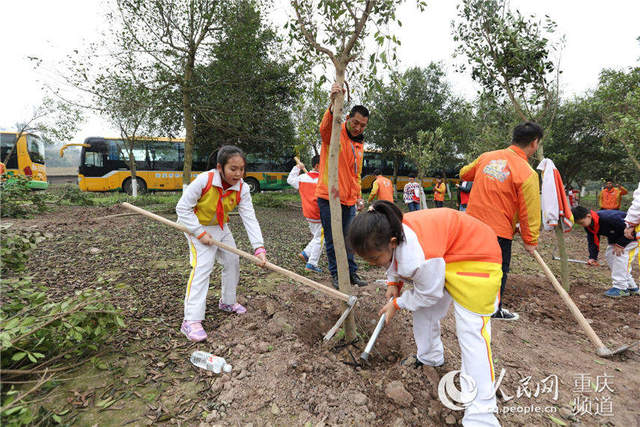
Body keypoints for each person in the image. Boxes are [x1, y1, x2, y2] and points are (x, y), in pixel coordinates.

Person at [347, 201, 502, 427]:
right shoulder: (391, 229)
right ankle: (430, 357)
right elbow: (393, 260)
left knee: (472, 333)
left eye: (373, 259)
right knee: (424, 313)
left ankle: (482, 415)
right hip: (446, 253)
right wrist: (393, 281)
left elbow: (429, 294)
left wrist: (397, 303)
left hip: (477, 257)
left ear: (391, 243)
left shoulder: (417, 257)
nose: (373, 265)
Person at [176, 145, 267, 342]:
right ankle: (190, 320)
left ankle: (227, 302)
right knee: (203, 266)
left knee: (232, 260)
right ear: (220, 167)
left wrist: (258, 248)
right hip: (194, 224)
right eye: (233, 169)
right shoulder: (205, 180)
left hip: (220, 226)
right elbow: (182, 208)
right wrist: (200, 233)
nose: (238, 174)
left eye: (241, 169)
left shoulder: (242, 188)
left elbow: (249, 217)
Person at [460, 122, 543, 321]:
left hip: (470, 225)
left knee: (471, 264)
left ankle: (465, 302)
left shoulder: (486, 157)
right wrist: (530, 241)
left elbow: (464, 173)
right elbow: (529, 211)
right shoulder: (527, 173)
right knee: (497, 271)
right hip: (498, 231)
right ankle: (493, 309)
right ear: (534, 143)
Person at [316, 82, 368, 289]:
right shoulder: (335, 134)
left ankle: (352, 273)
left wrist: (358, 197)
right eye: (355, 123)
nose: (358, 128)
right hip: (329, 196)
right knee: (332, 238)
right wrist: (333, 104)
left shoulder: (359, 145)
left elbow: (356, 175)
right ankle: (336, 275)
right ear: (347, 118)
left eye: (362, 125)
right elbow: (325, 128)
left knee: (349, 238)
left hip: (348, 200)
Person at [572, 206, 639, 298]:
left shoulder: (610, 218)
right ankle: (631, 286)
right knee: (610, 255)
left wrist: (621, 244)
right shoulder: (589, 225)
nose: (582, 225)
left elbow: (631, 229)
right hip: (617, 238)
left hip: (633, 236)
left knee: (620, 256)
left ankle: (620, 288)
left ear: (588, 216)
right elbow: (593, 241)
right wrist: (593, 257)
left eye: (582, 222)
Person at [287, 155, 324, 273]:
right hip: (319, 213)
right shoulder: (323, 180)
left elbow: (290, 179)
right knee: (321, 238)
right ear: (317, 166)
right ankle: (312, 263)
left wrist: (297, 167)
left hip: (308, 213)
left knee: (318, 236)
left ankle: (306, 253)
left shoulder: (302, 178)